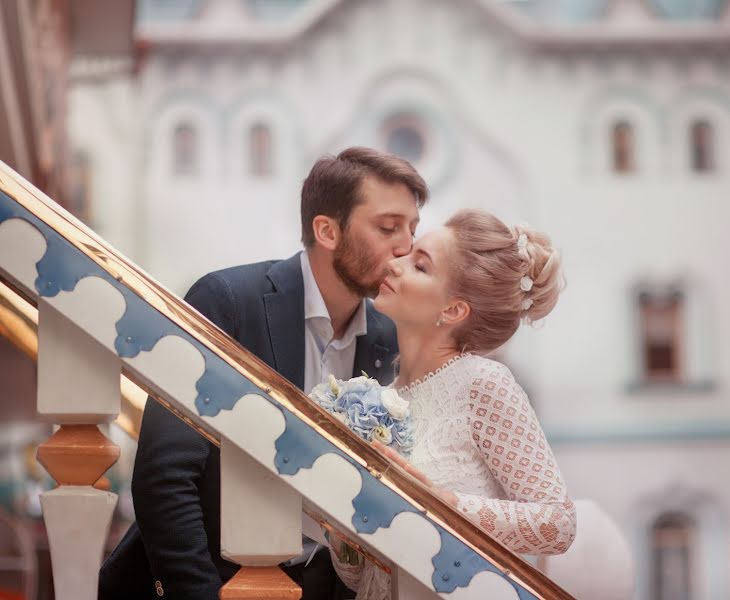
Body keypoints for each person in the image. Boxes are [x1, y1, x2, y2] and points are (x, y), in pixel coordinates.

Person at [98, 147, 428, 600]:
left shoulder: (389, 336)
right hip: (214, 579)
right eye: (389, 227)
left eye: (412, 229)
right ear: (327, 230)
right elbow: (164, 475)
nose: (406, 247)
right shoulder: (227, 301)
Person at [330, 209, 577, 599]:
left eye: (420, 265)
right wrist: (341, 515)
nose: (394, 264)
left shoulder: (482, 382)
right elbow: (363, 580)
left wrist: (440, 505)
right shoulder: (381, 398)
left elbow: (558, 523)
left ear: (453, 310)